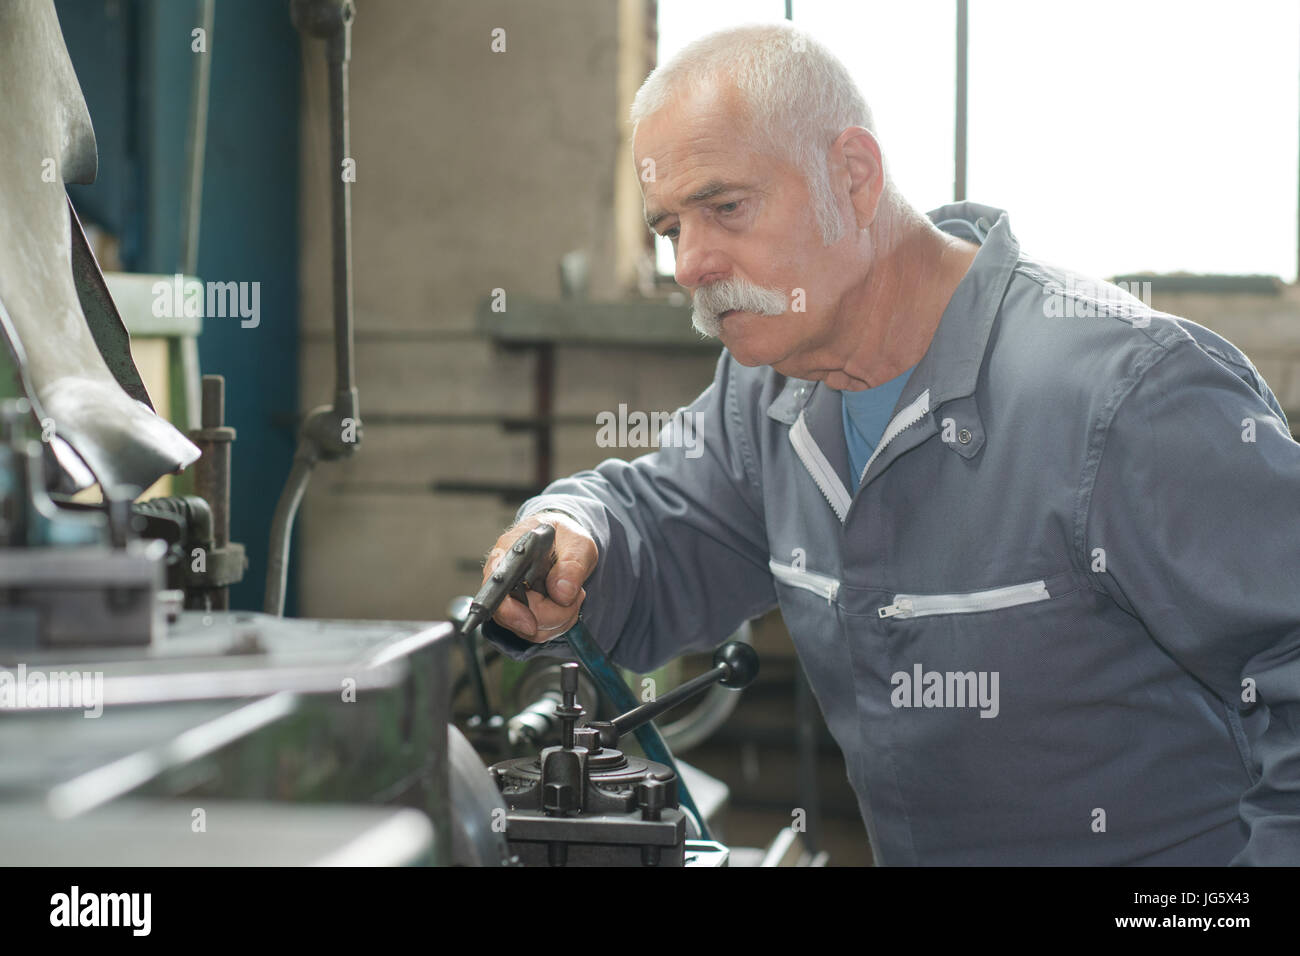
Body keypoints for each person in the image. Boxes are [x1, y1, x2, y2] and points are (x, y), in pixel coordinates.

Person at [478, 22, 1300, 865]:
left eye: (724, 206)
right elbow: (657, 525)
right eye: (668, 230)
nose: (691, 263)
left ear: (855, 176)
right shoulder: (768, 398)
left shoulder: (1128, 396)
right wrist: (575, 530)